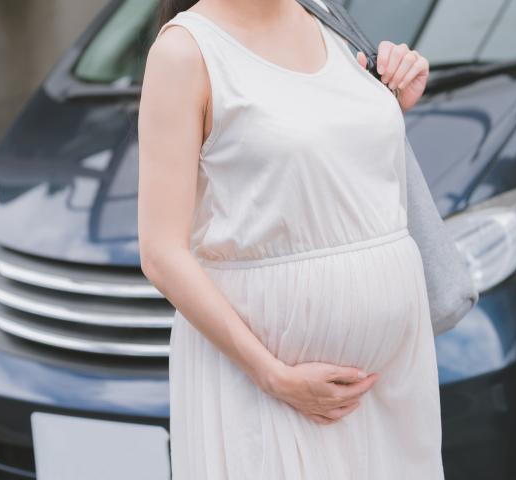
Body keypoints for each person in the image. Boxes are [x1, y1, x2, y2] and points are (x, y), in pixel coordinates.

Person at [137, 0, 441, 478]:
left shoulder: (325, 17)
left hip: (391, 388)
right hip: (271, 391)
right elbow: (160, 253)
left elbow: (333, 165)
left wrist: (392, 97)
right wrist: (273, 375)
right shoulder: (184, 52)